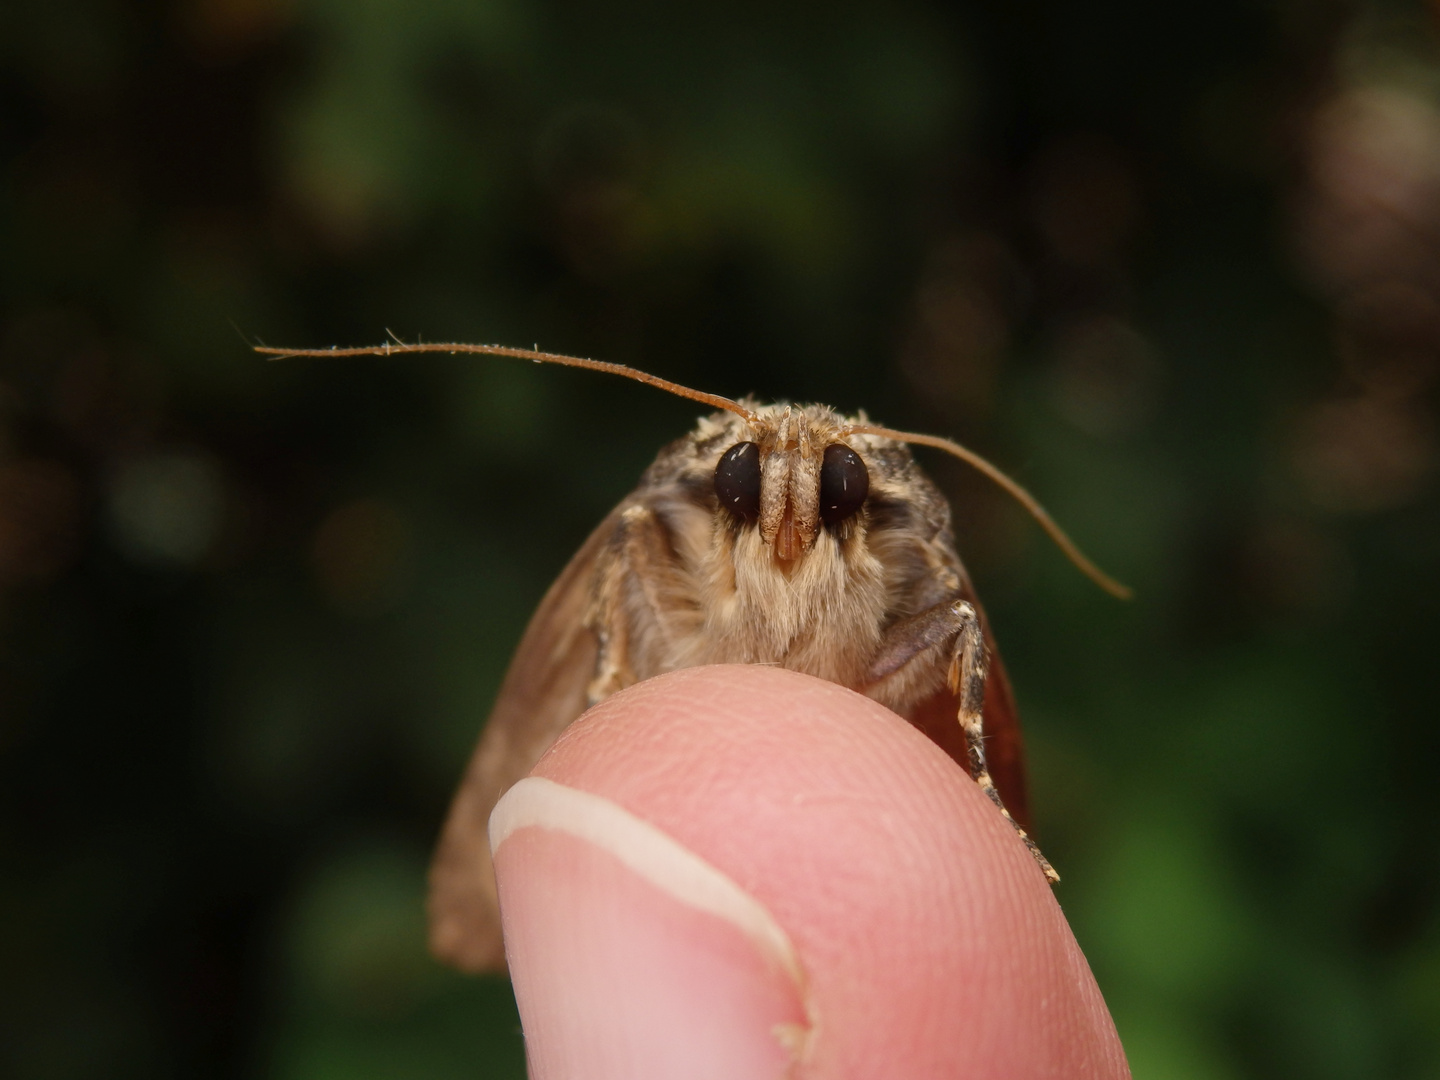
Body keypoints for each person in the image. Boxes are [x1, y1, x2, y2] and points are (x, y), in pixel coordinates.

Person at [490, 665, 1130, 1079]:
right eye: (748, 502)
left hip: (876, 799)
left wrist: (982, 789)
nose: (787, 529)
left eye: (833, 501)